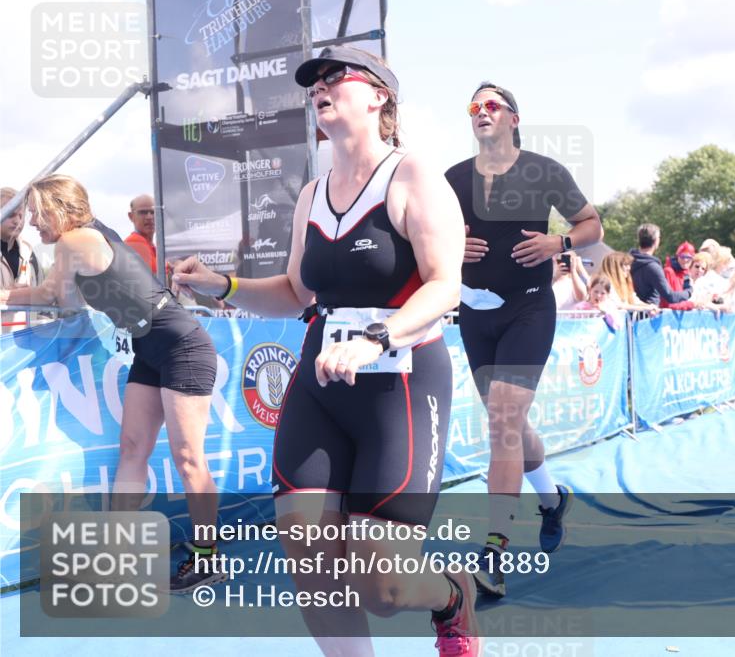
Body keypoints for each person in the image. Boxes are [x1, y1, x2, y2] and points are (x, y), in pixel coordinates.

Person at [174, 47, 478, 655]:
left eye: (336, 77)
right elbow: (293, 293)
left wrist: (378, 339)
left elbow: (445, 285)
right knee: (310, 561)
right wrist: (223, 285)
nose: (320, 87)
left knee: (381, 588)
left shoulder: (415, 175)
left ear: (380, 97)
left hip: (402, 387)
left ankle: (454, 596)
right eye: (313, 83)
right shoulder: (312, 192)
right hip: (321, 384)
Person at [0, 174, 222, 593]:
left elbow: (57, 298)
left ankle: (207, 559)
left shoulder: (73, 241)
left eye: (35, 213)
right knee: (132, 449)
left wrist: (6, 297)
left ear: (57, 209)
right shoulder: (91, 235)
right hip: (150, 347)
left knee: (189, 459)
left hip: (180, 346)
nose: (31, 224)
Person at [445, 80, 603, 600]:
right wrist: (450, 246)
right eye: (474, 107)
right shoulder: (451, 178)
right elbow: (423, 238)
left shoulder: (543, 171)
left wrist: (559, 241)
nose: (481, 112)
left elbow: (591, 225)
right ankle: (552, 499)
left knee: (504, 420)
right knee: (509, 422)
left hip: (529, 309)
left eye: (492, 105)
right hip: (474, 313)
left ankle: (494, 550)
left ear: (514, 118)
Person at [1, 186, 43, 330]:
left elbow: (43, 304)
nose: (17, 221)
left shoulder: (29, 253)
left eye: (21, 215)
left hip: (25, 345)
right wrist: (8, 294)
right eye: (11, 215)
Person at [629, 223, 690, 307]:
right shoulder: (653, 267)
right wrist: (688, 292)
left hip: (631, 314)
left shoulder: (627, 261)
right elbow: (670, 296)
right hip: (649, 315)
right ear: (656, 241)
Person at [125, 194, 158, 274]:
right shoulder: (134, 243)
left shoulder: (152, 246)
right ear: (131, 216)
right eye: (143, 212)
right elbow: (158, 275)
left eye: (153, 212)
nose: (149, 217)